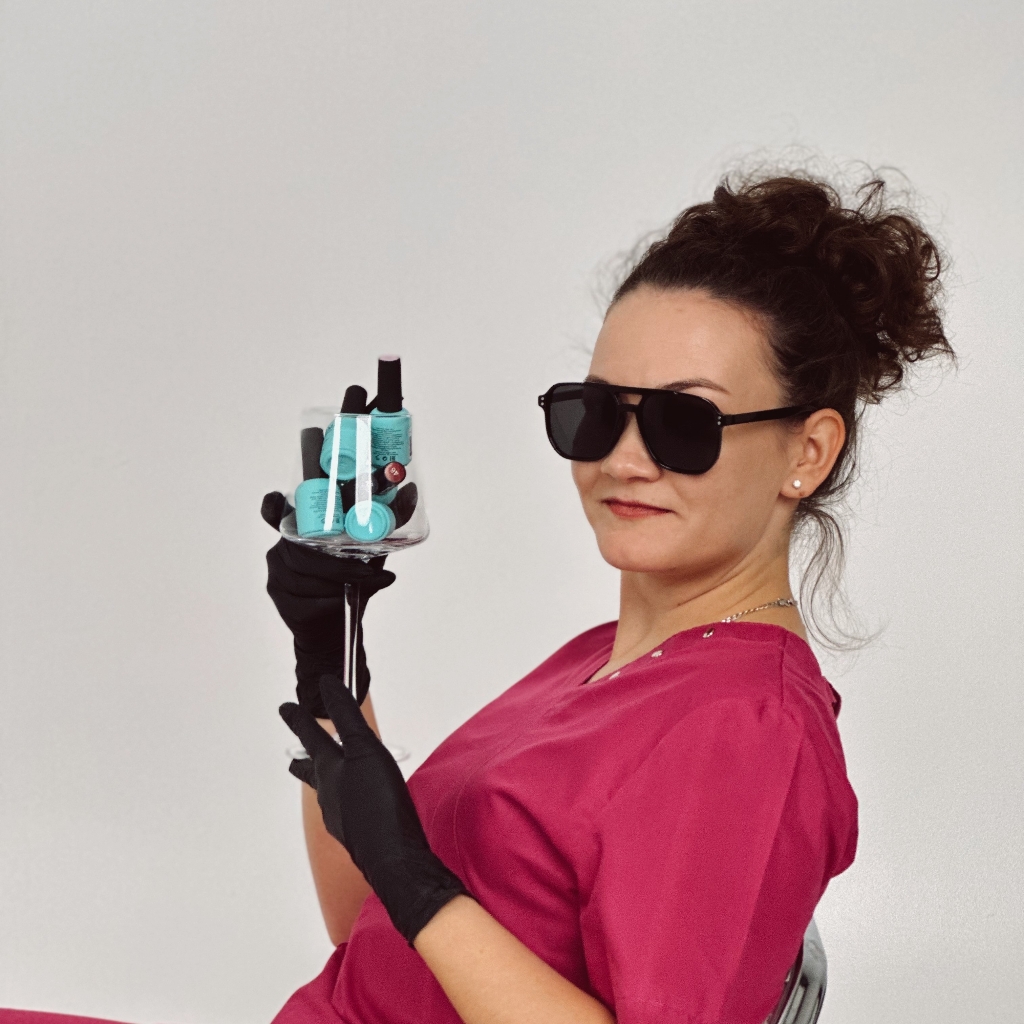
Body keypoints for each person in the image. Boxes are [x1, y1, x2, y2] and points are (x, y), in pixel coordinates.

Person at [0, 169, 953, 1024]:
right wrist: (330, 656)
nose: (624, 458)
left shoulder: (746, 727)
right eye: (594, 413)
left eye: (683, 422)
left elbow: (417, 907)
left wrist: (416, 877)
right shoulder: (599, 659)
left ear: (807, 452)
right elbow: (368, 936)